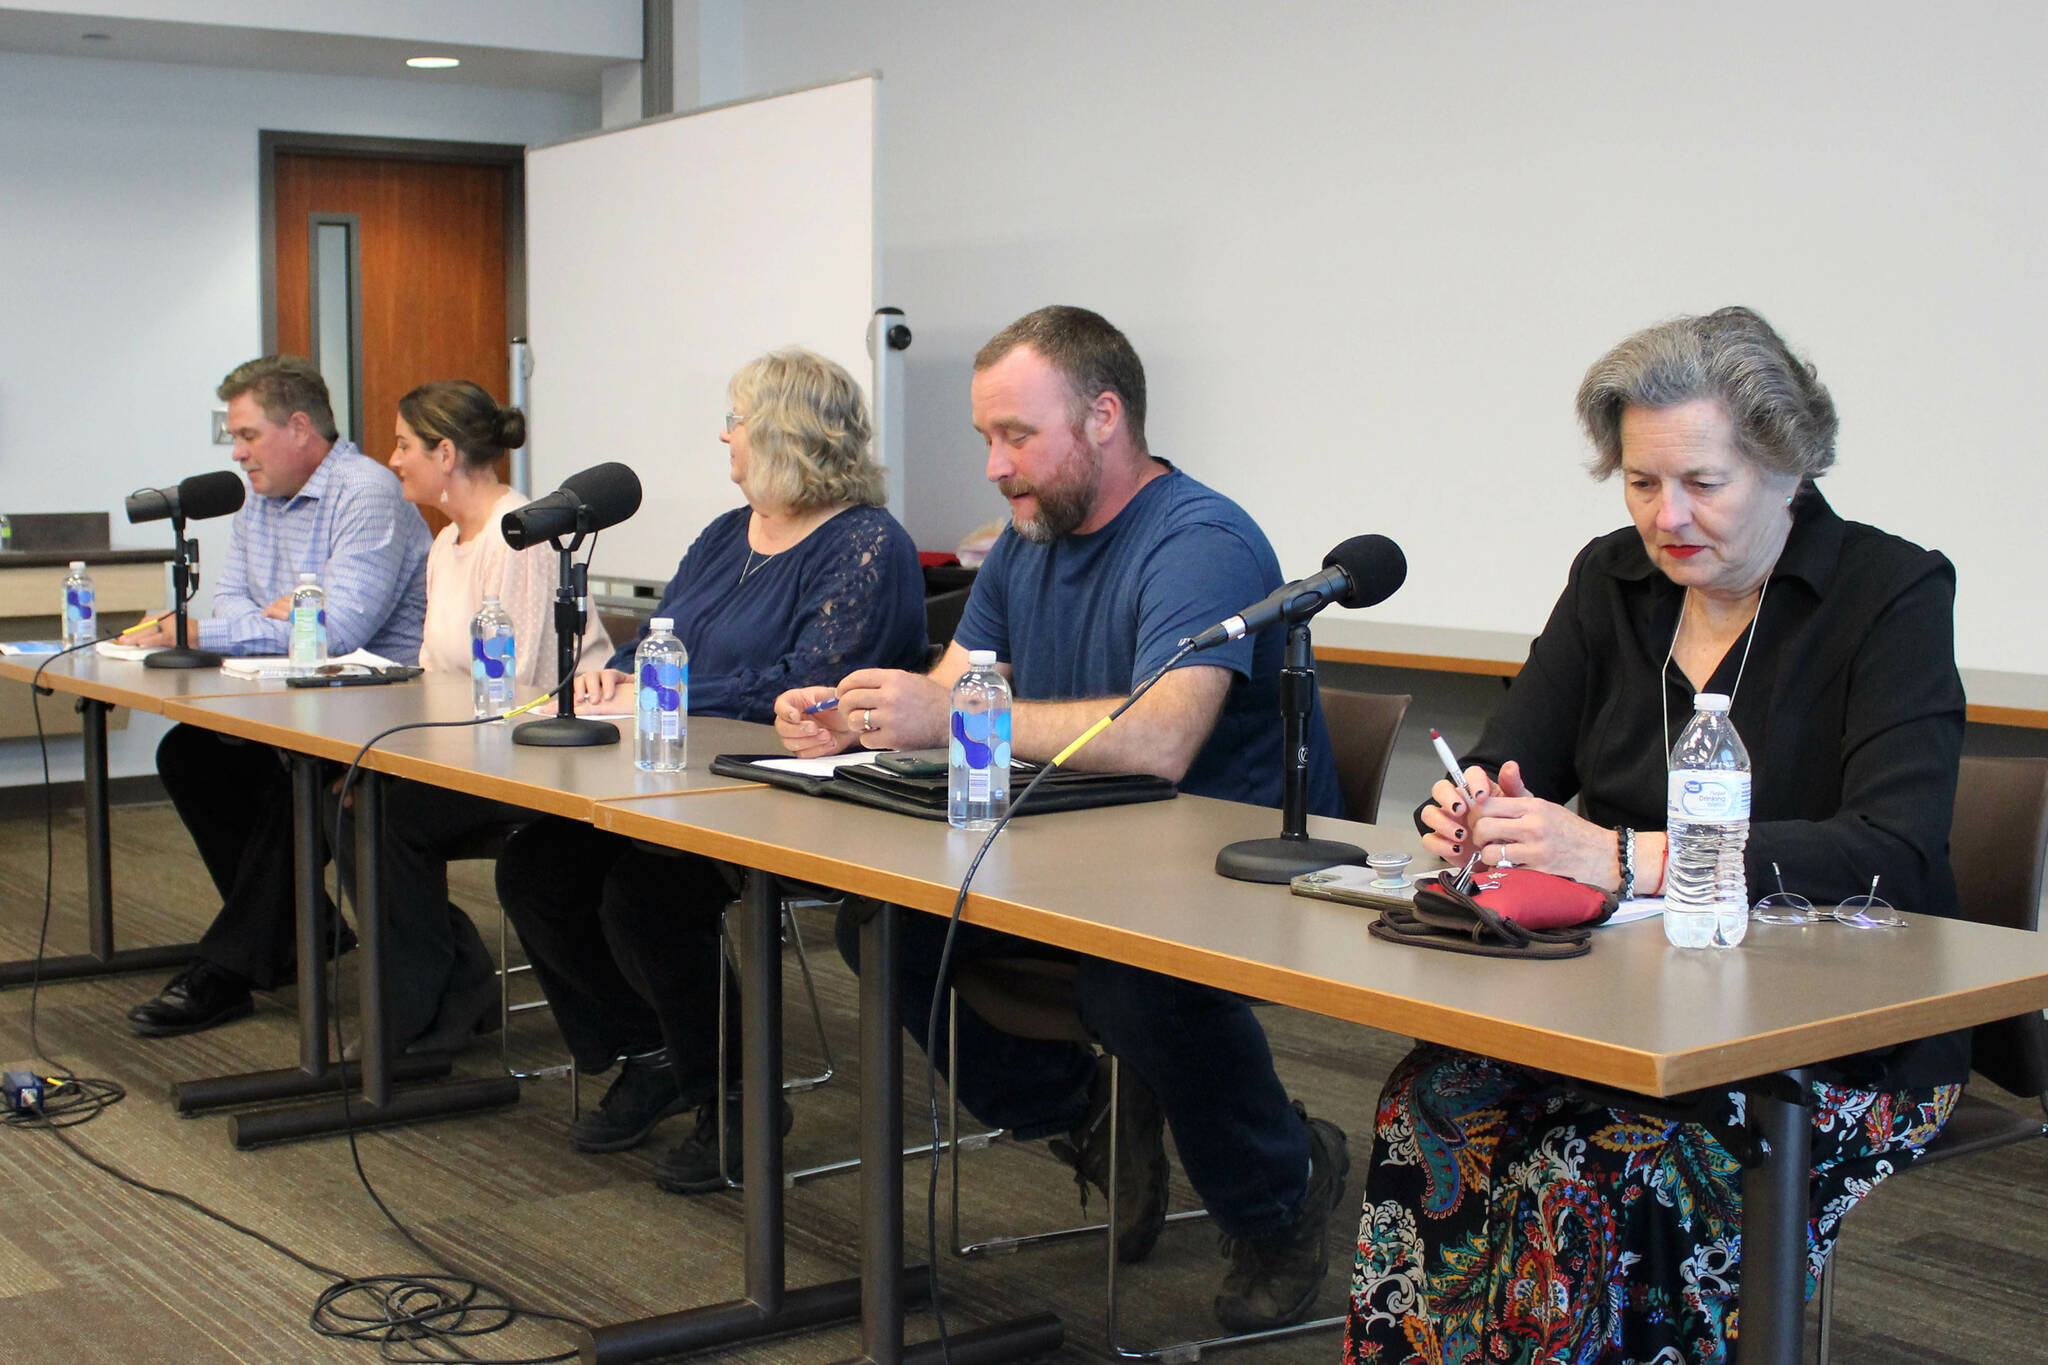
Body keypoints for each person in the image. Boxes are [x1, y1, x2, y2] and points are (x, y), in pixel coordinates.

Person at [1346, 306, 1966, 1364]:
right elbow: (1513, 761)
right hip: (1624, 1006)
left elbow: (1893, 851)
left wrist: (1620, 856)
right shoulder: (1611, 582)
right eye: (1640, 482)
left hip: (1833, 1031)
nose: (1665, 515)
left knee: (1599, 1166)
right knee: (1431, 1100)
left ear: (1786, 467)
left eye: (1701, 483)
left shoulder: (1887, 590)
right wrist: (1468, 812)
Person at [773, 306, 1352, 1333]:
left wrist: (940, 714)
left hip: (1213, 865)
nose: (994, 466)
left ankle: (1281, 1190)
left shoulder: (1198, 540)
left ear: (1102, 418)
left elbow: (1161, 738)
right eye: (983, 439)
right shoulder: (1029, 538)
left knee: (1132, 986)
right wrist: (854, 719)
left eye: (1015, 437)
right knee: (886, 932)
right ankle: (1081, 1113)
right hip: (1072, 847)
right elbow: (952, 685)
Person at [494, 347, 926, 1190]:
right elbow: (667, 634)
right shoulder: (728, 532)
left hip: (801, 788)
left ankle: (733, 1094)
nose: (723, 435)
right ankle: (649, 1049)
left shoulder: (869, 543)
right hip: (686, 770)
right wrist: (616, 673)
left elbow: (809, 687)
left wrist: (663, 694)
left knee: (644, 897)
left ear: (780, 433)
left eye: (736, 419)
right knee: (536, 868)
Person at [127, 356, 431, 1038]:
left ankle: (228, 968)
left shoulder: (366, 491)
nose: (237, 453)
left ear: (299, 427)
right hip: (295, 699)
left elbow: (338, 627)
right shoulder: (259, 497)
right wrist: (272, 617)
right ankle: (302, 927)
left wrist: (234, 628)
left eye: (247, 435)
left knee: (292, 785)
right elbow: (236, 599)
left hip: (383, 711)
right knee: (190, 754)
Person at [322, 380, 614, 1056]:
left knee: (387, 818)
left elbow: (526, 688)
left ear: (446, 451)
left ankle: (422, 1015)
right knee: (340, 799)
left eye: (403, 444)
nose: (391, 459)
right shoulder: (446, 543)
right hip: (470, 750)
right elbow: (434, 673)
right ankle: (451, 984)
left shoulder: (522, 539)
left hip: (547, 759)